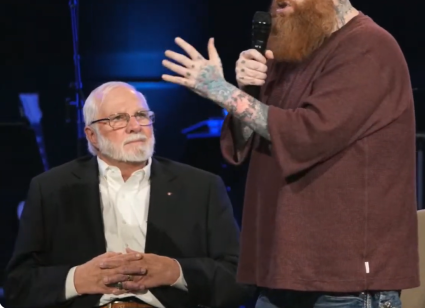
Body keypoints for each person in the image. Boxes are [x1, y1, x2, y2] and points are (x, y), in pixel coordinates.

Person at [161, 0, 419, 308]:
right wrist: (244, 91)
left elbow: (306, 134)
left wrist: (220, 92)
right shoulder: (291, 52)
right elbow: (247, 143)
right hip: (282, 271)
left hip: (343, 281)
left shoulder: (369, 48)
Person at [4, 81, 254, 308]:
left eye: (142, 116)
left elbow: (240, 281)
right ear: (92, 136)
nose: (135, 126)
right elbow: (18, 286)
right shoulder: (51, 189)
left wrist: (175, 272)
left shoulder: (202, 187)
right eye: (119, 119)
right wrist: (76, 279)